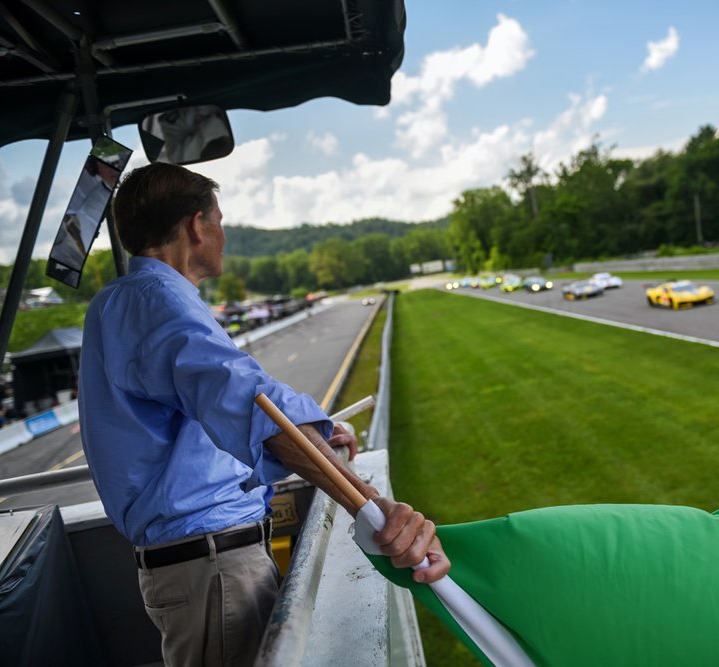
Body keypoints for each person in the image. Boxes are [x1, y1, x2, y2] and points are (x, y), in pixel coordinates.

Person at [78, 163, 450, 667]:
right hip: (212, 565)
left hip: (196, 566)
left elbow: (219, 404)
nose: (224, 235)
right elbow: (249, 400)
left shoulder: (119, 302)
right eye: (219, 220)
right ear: (196, 226)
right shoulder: (158, 302)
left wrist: (318, 428)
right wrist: (379, 510)